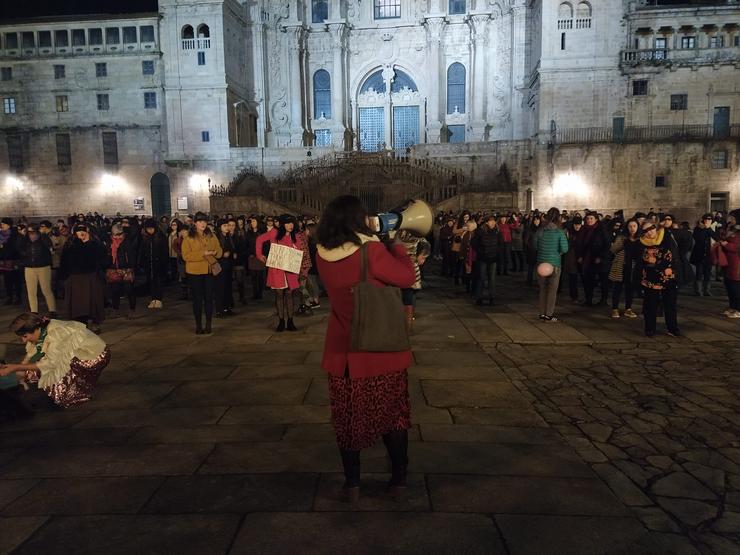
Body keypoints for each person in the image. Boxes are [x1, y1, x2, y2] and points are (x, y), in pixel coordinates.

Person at [315, 195, 416, 503]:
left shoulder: (322, 252)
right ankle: (398, 480)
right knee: (394, 417)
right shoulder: (371, 250)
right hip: (378, 348)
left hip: (342, 350)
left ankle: (352, 484)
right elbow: (407, 276)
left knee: (347, 420)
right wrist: (393, 242)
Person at [0, 313, 110, 408]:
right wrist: (18, 370)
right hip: (73, 354)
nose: (23, 340)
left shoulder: (57, 333)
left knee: (58, 389)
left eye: (25, 336)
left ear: (35, 329)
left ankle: (77, 390)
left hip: (93, 356)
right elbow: (32, 354)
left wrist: (16, 367)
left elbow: (50, 363)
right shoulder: (40, 330)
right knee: (33, 369)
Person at [256, 214, 305, 332]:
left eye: (292, 223)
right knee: (279, 295)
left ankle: (291, 321)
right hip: (277, 270)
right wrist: (259, 254)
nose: (291, 225)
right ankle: (281, 321)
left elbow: (300, 252)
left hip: (290, 270)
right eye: (288, 223)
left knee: (289, 295)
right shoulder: (274, 233)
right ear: (282, 224)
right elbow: (259, 240)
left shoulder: (297, 237)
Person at [59, 224, 106, 333]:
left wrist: (90, 243)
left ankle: (94, 322)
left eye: (83, 230)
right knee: (78, 304)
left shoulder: (94, 244)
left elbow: (101, 257)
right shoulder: (70, 244)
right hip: (75, 277)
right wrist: (64, 277)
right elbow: (65, 261)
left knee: (93, 301)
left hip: (91, 275)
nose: (81, 233)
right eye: (79, 231)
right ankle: (81, 323)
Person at [181, 212, 222, 335]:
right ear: (195, 224)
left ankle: (208, 323)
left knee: (209, 298)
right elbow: (186, 256)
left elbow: (219, 251)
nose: (202, 224)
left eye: (204, 221)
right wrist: (202, 254)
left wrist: (215, 252)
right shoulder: (189, 237)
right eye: (200, 222)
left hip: (209, 271)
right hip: (195, 272)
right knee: (197, 299)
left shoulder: (212, 236)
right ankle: (198, 324)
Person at [639, 221, 680, 337]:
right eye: (645, 231)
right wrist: (658, 263)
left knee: (670, 304)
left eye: (651, 228)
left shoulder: (666, 237)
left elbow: (673, 255)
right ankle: (650, 328)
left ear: (655, 228)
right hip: (651, 278)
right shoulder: (642, 243)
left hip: (668, 276)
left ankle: (672, 328)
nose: (649, 232)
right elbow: (644, 261)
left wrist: (657, 262)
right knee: (650, 304)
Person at [532, 207, 569, 321]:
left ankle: (542, 313)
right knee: (552, 290)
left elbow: (535, 246)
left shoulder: (540, 231)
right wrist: (557, 253)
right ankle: (549, 314)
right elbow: (565, 249)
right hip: (554, 264)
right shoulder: (560, 232)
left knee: (542, 289)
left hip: (541, 263)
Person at [19, 224, 56, 316]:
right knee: (31, 291)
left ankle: (52, 310)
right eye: (29, 232)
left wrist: (43, 235)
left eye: (33, 232)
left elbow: (49, 246)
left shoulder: (43, 239)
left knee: (46, 289)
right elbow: (19, 248)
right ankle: (34, 311)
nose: (31, 234)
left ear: (37, 231)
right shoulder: (25, 240)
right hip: (29, 267)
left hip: (43, 267)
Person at [106, 223, 137, 318]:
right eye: (115, 234)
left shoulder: (127, 242)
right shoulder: (109, 242)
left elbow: (131, 255)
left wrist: (130, 267)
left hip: (126, 268)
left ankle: (132, 310)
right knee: (115, 291)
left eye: (119, 234)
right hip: (113, 269)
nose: (117, 237)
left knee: (129, 290)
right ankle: (115, 309)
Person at [471, 214, 501, 306]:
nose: (492, 223)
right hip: (483, 258)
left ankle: (492, 297)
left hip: (493, 258)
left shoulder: (497, 232)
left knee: (492, 279)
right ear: (487, 222)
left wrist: (497, 253)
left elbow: (501, 244)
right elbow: (474, 243)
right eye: (490, 221)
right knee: (482, 278)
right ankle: (479, 297)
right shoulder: (480, 231)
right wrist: (481, 252)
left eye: (493, 221)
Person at [139, 218, 168, 309]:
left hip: (159, 263)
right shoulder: (144, 238)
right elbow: (142, 251)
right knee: (151, 281)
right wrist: (142, 262)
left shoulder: (160, 237)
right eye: (148, 229)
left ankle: (158, 299)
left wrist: (164, 263)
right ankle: (153, 298)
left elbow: (165, 251)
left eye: (151, 228)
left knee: (158, 281)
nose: (150, 230)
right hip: (149, 263)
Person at [719, 209, 740, 318]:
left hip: (737, 264)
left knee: (736, 287)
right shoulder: (731, 229)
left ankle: (738, 309)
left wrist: (726, 244)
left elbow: (737, 247)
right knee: (729, 286)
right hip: (727, 262)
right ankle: (732, 307)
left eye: (732, 217)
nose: (730, 219)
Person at [214, 218, 237, 317]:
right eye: (225, 226)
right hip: (220, 265)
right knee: (220, 288)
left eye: (227, 226)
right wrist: (223, 254)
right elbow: (215, 251)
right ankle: (220, 309)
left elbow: (231, 248)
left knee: (228, 287)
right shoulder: (217, 238)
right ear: (220, 228)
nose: (227, 227)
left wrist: (232, 253)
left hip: (228, 265)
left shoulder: (228, 237)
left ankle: (227, 307)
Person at [690, 214, 716, 296]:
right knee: (699, 273)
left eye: (710, 219)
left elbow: (716, 237)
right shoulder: (698, 229)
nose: (708, 220)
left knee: (708, 273)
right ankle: (698, 290)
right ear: (703, 220)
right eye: (707, 219)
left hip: (709, 254)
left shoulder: (711, 229)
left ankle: (707, 290)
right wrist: (705, 228)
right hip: (699, 254)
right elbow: (698, 238)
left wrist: (708, 228)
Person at [0, 217, 22, 305]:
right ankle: (9, 297)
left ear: (8, 225)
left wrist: (3, 247)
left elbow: (16, 248)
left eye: (3, 224)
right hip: (4, 261)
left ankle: (18, 297)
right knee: (7, 279)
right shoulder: (1, 234)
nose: (2, 225)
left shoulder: (15, 235)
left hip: (14, 260)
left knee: (16, 279)